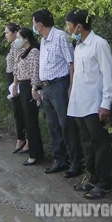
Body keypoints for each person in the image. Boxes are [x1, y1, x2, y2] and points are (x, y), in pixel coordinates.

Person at [65, 9, 112, 199]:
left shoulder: (99, 44)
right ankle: (93, 178)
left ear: (79, 26)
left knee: (99, 144)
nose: (68, 28)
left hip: (95, 104)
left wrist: (106, 103)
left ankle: (104, 183)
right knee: (86, 143)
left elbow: (107, 74)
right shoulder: (78, 46)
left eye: (69, 25)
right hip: (79, 104)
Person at [32, 9, 83, 177]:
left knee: (66, 125)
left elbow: (71, 62)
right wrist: (38, 87)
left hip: (60, 85)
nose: (33, 26)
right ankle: (59, 160)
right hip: (46, 88)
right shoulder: (43, 40)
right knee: (53, 125)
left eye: (34, 23)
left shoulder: (60, 37)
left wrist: (70, 86)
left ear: (39, 24)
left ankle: (76, 163)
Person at [13, 27, 45, 165]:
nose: (17, 40)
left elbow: (35, 71)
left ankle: (35, 154)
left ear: (26, 38)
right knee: (26, 119)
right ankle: (33, 150)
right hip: (22, 86)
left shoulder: (34, 52)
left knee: (31, 121)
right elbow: (17, 70)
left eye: (19, 37)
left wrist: (34, 87)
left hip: (30, 86)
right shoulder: (22, 52)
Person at [4, 23, 27, 153]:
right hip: (12, 79)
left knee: (21, 110)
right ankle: (21, 137)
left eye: (7, 32)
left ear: (14, 33)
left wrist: (15, 83)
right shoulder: (13, 46)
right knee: (17, 110)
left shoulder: (18, 46)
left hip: (17, 79)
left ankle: (24, 138)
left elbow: (17, 66)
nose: (6, 35)